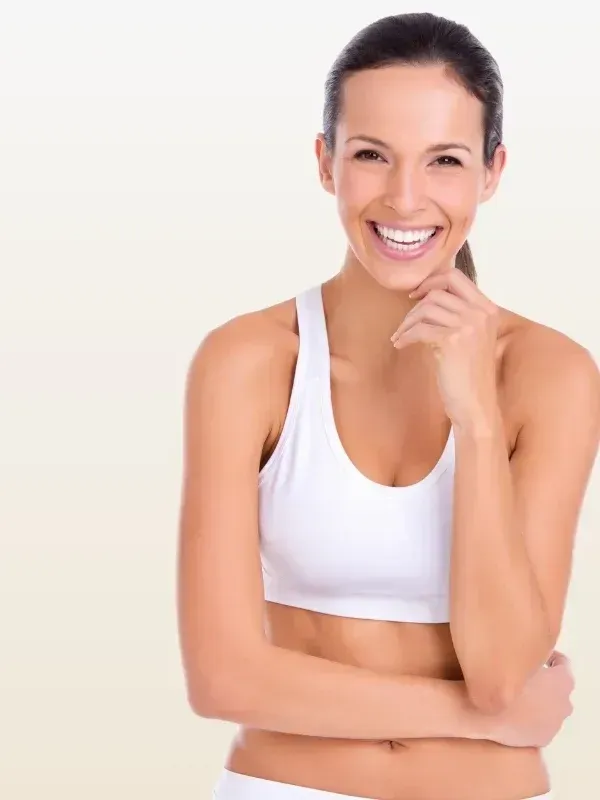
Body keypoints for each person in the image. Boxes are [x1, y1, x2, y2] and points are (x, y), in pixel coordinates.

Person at [177, 12, 600, 800]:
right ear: (326, 163)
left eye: (445, 161)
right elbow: (222, 678)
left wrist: (475, 416)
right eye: (372, 155)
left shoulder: (552, 375)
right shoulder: (247, 362)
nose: (406, 199)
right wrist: (475, 719)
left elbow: (507, 671)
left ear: (492, 172)